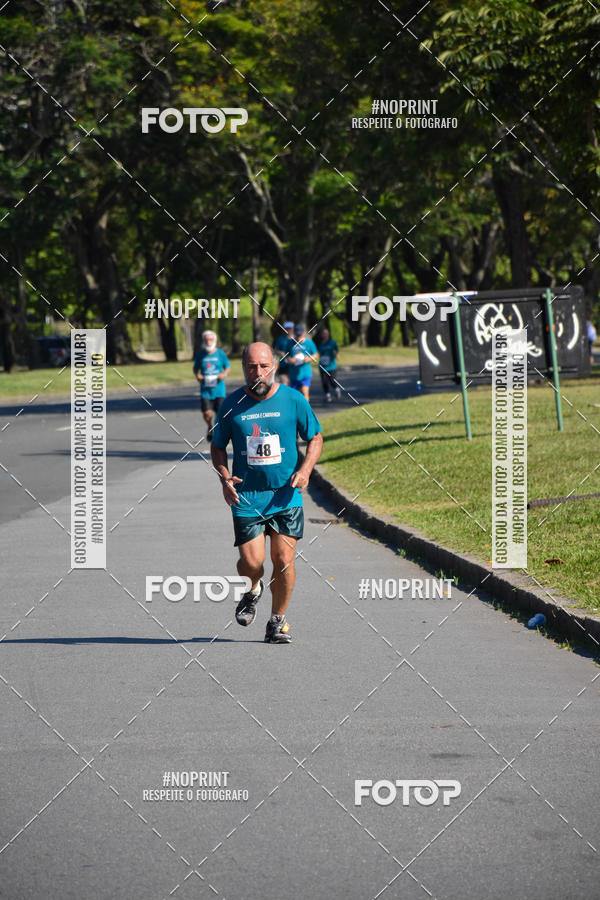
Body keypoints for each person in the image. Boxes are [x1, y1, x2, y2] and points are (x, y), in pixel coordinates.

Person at [210, 342, 323, 643]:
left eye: (263, 366)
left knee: (283, 558)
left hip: (286, 494)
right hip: (247, 496)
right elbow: (217, 445)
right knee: (253, 563)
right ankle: (252, 589)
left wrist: (306, 470)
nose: (257, 373)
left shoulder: (293, 399)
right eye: (251, 367)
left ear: (274, 365)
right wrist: (224, 477)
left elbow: (315, 437)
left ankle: (277, 621)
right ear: (243, 368)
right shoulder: (231, 404)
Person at [193, 330, 230, 442]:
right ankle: (210, 426)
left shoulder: (220, 354)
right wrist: (197, 375)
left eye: (211, 339)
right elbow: (195, 368)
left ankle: (215, 430)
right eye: (206, 339)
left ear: (215, 340)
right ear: (204, 341)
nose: (209, 342)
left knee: (220, 414)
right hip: (205, 390)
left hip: (219, 389)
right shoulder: (200, 354)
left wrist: (224, 374)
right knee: (207, 413)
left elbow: (227, 366)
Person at [288, 323, 318, 401]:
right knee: (294, 395)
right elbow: (286, 355)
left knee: (305, 392)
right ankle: (297, 411)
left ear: (304, 333)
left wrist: (308, 359)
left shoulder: (309, 343)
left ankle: (306, 411)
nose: (299, 338)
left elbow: (315, 354)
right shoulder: (290, 343)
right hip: (293, 374)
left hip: (305, 372)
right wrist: (290, 360)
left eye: (300, 335)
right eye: (297, 335)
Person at [318, 327, 341, 402]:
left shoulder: (332, 342)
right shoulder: (320, 343)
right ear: (322, 335)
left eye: (326, 334)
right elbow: (317, 352)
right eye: (324, 334)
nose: (325, 335)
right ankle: (327, 395)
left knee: (332, 380)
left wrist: (337, 354)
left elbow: (337, 349)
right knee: (324, 381)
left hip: (331, 366)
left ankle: (336, 389)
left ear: (328, 334)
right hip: (322, 366)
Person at [273, 321, 294, 385]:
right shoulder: (280, 339)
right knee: (284, 383)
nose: (288, 330)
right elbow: (275, 350)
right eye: (286, 328)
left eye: (290, 328)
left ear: (293, 328)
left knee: (292, 385)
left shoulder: (297, 338)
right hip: (283, 365)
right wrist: (280, 353)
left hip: (294, 366)